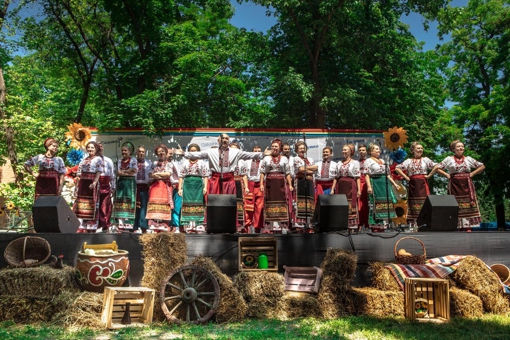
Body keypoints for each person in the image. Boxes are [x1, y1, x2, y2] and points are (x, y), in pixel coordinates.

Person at [175, 133, 269, 195]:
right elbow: (198, 154)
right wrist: (184, 153)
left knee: (229, 203)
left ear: (229, 141)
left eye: (226, 139)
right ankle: (215, 224)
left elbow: (249, 154)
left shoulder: (235, 151)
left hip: (229, 180)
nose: (224, 140)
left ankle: (230, 224)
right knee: (215, 203)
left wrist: (263, 154)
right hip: (216, 179)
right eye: (222, 138)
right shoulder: (211, 151)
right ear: (218, 140)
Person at [431, 140, 485, 229]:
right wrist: (446, 175)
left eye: (462, 146)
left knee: (468, 203)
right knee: (455, 203)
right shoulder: (449, 159)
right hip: (454, 185)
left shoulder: (468, 159)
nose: (461, 148)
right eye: (458, 146)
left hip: (466, 184)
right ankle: (456, 226)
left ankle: (468, 227)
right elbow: (437, 167)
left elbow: (482, 166)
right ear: (453, 149)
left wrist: (472, 173)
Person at [394, 142, 438, 224]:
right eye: (418, 148)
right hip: (413, 183)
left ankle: (426, 222)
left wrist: (429, 175)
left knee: (425, 200)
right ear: (413, 150)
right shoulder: (409, 161)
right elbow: (397, 168)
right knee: (414, 202)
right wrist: (406, 177)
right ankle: (414, 223)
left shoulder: (425, 160)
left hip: (423, 182)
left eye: (421, 148)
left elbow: (436, 166)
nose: (420, 150)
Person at [259, 139, 293, 232]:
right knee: (269, 202)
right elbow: (262, 172)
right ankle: (270, 227)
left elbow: (288, 173)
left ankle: (282, 226)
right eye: (273, 146)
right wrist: (261, 184)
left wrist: (290, 184)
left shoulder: (284, 159)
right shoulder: (266, 158)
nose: (274, 148)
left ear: (280, 148)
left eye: (276, 146)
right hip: (270, 183)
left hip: (281, 183)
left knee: (282, 202)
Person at [364, 143, 401, 227]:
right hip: (375, 182)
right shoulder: (368, 161)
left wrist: (394, 184)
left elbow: (387, 174)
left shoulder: (383, 161)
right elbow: (366, 174)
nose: (379, 151)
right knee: (376, 202)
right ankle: (376, 224)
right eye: (376, 149)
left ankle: (386, 223)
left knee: (386, 202)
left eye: (379, 149)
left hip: (385, 183)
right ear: (370, 151)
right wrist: (369, 186)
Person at [74, 141, 103, 233]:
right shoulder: (84, 159)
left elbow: (98, 172)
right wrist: (76, 187)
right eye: (89, 147)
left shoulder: (98, 159)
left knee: (92, 203)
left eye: (92, 148)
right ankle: (82, 225)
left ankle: (91, 225)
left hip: (91, 182)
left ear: (96, 149)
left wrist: (94, 182)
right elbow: (79, 174)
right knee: (81, 202)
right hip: (83, 182)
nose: (90, 149)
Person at [146, 144, 177, 231]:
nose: (161, 153)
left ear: (166, 153)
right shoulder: (154, 163)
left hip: (165, 186)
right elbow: (150, 174)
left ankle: (163, 224)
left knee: (164, 203)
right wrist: (160, 175)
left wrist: (157, 175)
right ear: (156, 153)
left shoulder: (169, 164)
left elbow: (168, 174)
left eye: (162, 151)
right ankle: (154, 224)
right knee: (154, 203)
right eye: (159, 152)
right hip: (155, 187)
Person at [178, 144, 209, 229]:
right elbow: (181, 176)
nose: (193, 152)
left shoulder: (202, 162)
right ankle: (188, 224)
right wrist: (179, 188)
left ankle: (198, 224)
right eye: (191, 150)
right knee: (187, 202)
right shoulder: (185, 162)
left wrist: (205, 187)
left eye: (195, 150)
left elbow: (205, 175)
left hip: (198, 184)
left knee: (198, 202)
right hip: (187, 184)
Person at [331, 144, 361, 228]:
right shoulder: (339, 163)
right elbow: (336, 177)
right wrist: (332, 189)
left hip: (351, 185)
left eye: (345, 150)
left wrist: (359, 190)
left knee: (351, 203)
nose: (343, 151)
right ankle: (341, 224)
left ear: (350, 151)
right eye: (343, 150)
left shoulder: (355, 163)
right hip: (340, 186)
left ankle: (352, 225)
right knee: (341, 203)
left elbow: (357, 177)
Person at [112, 142, 138, 231]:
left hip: (130, 183)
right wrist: (127, 171)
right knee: (119, 200)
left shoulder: (133, 160)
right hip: (121, 182)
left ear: (130, 151)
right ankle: (120, 223)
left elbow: (134, 171)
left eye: (125, 150)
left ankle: (128, 224)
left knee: (129, 201)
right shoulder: (119, 161)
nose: (123, 152)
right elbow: (117, 172)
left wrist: (123, 172)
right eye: (122, 150)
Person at [239, 145, 264, 233]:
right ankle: (247, 226)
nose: (256, 152)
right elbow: (245, 175)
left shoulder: (263, 161)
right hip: (250, 184)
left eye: (259, 151)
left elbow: (264, 173)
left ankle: (258, 227)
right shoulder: (247, 162)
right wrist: (246, 187)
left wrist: (262, 184)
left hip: (260, 184)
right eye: (255, 151)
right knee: (248, 206)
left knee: (259, 206)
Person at [293, 141, 317, 228]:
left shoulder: (310, 159)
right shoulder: (296, 159)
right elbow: (301, 169)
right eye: (300, 148)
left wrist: (306, 169)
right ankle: (300, 222)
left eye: (304, 148)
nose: (302, 150)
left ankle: (309, 221)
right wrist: (309, 169)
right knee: (300, 200)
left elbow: (316, 168)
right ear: (297, 150)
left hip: (310, 182)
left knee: (309, 201)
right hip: (300, 181)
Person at [97, 142, 115, 232]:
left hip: (106, 185)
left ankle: (106, 226)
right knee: (96, 206)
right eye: (98, 147)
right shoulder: (92, 160)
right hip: (96, 185)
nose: (100, 149)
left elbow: (112, 174)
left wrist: (113, 187)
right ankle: (95, 226)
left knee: (105, 206)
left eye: (101, 147)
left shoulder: (108, 160)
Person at [134, 146, 152, 233]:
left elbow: (151, 174)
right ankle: (134, 227)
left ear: (145, 153)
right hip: (134, 187)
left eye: (143, 152)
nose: (141, 153)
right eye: (139, 151)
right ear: (136, 152)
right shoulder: (132, 162)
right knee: (134, 207)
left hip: (145, 187)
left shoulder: (149, 162)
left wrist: (150, 183)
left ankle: (143, 227)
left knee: (144, 207)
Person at [168, 148, 182, 229]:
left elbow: (180, 176)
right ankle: (169, 224)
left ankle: (176, 226)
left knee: (177, 207)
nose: (171, 155)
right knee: (169, 207)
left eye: (172, 153)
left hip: (177, 187)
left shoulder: (176, 163)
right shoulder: (163, 164)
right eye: (169, 153)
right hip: (168, 187)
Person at [357, 144, 369, 229]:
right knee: (360, 204)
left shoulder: (370, 161)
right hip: (359, 183)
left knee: (368, 204)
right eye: (360, 150)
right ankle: (360, 224)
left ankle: (369, 224)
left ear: (366, 151)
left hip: (368, 183)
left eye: (363, 150)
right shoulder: (356, 162)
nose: (362, 152)